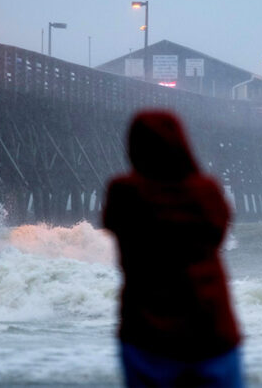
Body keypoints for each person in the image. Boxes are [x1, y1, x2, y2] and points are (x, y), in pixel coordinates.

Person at [103, 110, 243, 387]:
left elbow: (113, 224)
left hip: (145, 331)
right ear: (182, 143)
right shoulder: (206, 191)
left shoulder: (123, 192)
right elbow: (218, 233)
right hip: (211, 330)